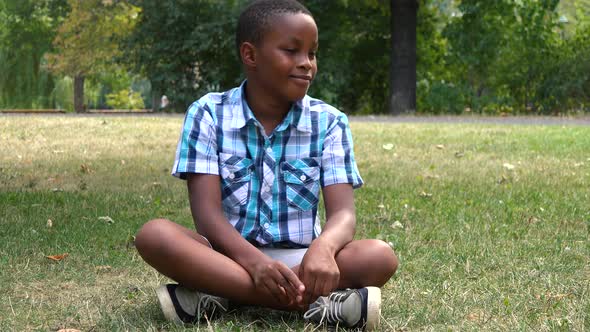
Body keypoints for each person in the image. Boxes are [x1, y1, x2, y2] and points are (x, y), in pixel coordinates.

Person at [134, 0, 398, 330]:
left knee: (379, 256)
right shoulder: (208, 114)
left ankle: (221, 297)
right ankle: (320, 306)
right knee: (154, 235)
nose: (306, 65)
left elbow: (344, 214)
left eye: (312, 54)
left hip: (304, 261)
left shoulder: (330, 122)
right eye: (291, 50)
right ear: (250, 55)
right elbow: (208, 217)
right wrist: (256, 264)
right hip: (228, 258)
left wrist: (324, 249)